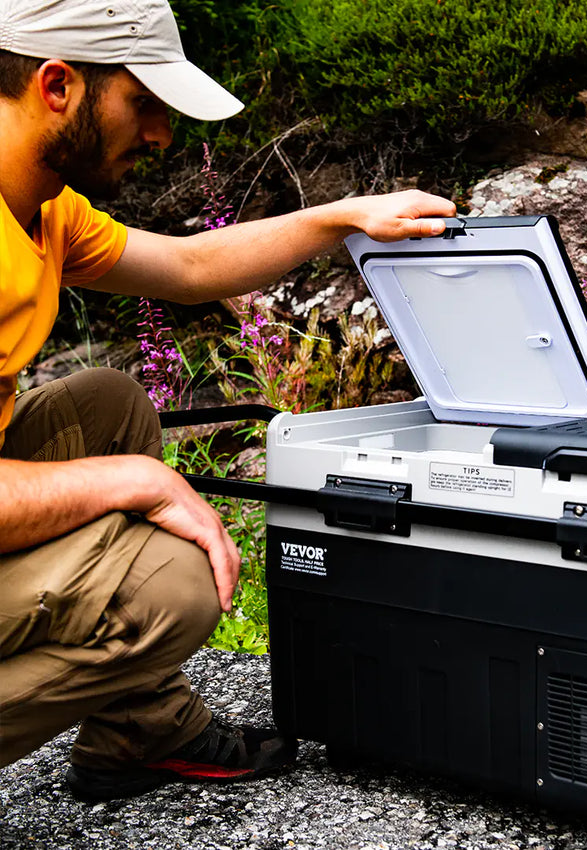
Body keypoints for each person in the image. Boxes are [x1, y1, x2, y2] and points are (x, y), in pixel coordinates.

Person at [0, 0, 456, 802]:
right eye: (142, 103)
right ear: (58, 85)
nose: (161, 135)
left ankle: (139, 732)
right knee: (170, 585)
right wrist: (139, 484)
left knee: (108, 407)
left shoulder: (39, 207)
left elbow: (188, 269)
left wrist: (343, 218)